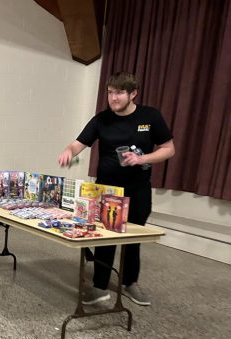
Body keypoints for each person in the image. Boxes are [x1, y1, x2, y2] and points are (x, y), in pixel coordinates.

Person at [57, 72, 175, 306]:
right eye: (110, 92)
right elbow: (78, 143)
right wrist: (69, 152)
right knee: (105, 238)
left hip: (138, 189)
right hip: (107, 190)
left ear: (133, 93)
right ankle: (100, 287)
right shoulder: (101, 119)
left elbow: (168, 148)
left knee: (132, 239)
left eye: (119, 92)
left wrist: (143, 159)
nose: (113, 98)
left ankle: (130, 283)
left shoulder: (150, 117)